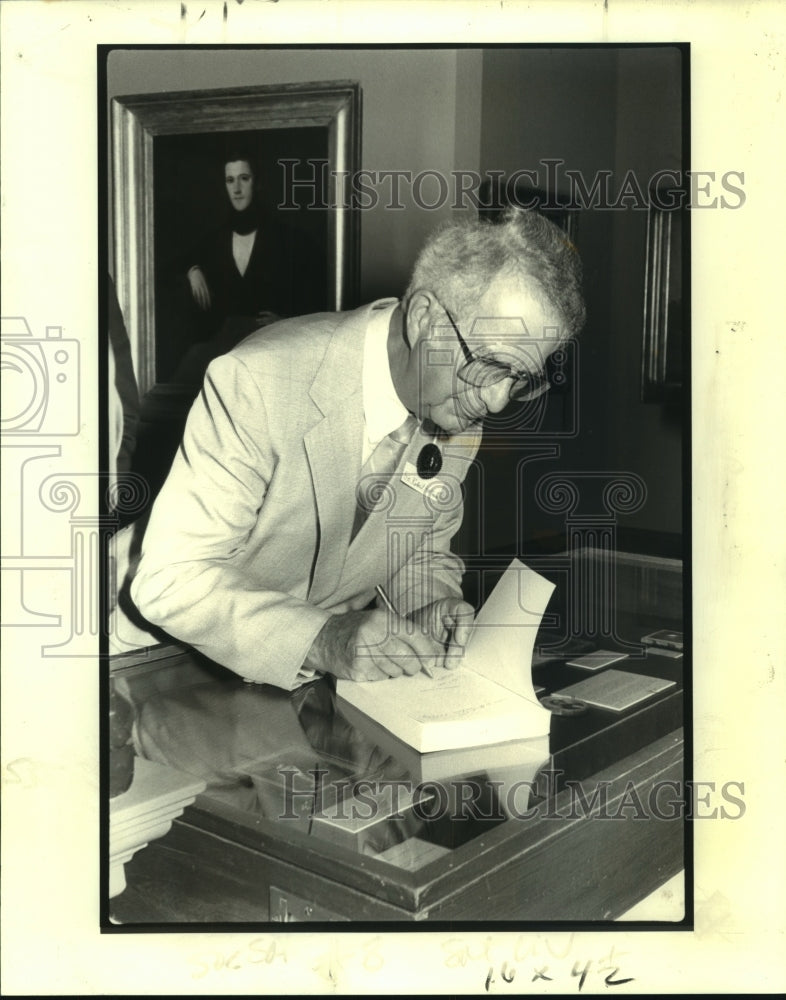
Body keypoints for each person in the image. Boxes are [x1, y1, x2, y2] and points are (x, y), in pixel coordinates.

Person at [130, 207, 585, 691]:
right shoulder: (258, 380)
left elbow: (416, 549)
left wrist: (427, 605)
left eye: (521, 379)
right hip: (155, 665)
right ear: (424, 318)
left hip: (292, 687)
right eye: (491, 366)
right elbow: (170, 577)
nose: (496, 402)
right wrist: (322, 638)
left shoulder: (457, 410)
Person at [172, 148, 325, 385]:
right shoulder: (216, 240)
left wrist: (285, 320)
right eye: (230, 180)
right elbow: (173, 263)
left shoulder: (287, 238)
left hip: (271, 340)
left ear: (258, 183)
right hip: (227, 342)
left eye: (244, 178)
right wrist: (193, 270)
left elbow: (315, 294)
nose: (237, 189)